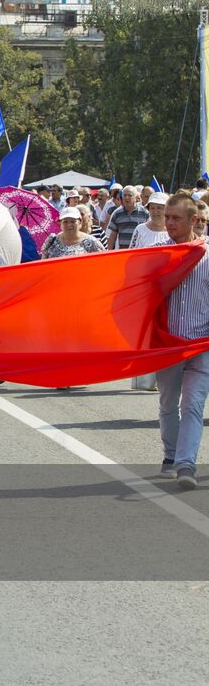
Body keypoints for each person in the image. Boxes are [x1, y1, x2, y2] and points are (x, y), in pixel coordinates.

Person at [155, 193, 209, 489]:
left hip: (201, 344)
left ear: (194, 221)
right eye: (167, 217)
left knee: (192, 405)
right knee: (167, 402)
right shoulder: (155, 255)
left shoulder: (208, 255)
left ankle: (186, 464)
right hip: (166, 344)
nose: (170, 223)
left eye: (176, 218)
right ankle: (171, 454)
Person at [41, 206, 106, 259]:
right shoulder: (52, 240)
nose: (69, 225)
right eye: (65, 222)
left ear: (80, 222)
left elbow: (103, 261)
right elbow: (43, 263)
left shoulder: (91, 242)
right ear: (60, 223)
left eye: (73, 221)